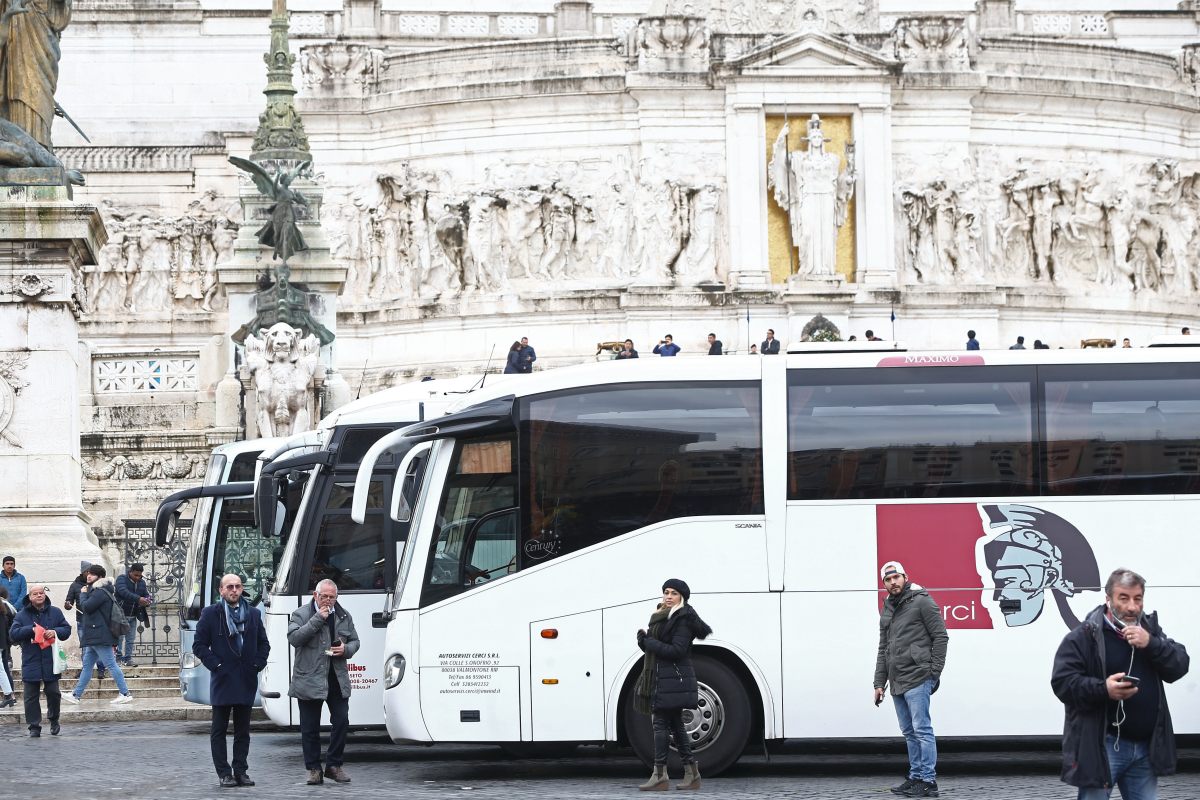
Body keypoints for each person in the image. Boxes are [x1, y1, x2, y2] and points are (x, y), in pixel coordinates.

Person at [1051, 568, 1190, 800]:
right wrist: (1104, 689)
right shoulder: (1084, 636)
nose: (1132, 607)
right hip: (1102, 746)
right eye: (1123, 598)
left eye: (1138, 599)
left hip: (1145, 749)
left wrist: (1152, 644)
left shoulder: (1150, 632)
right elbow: (1063, 683)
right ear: (1108, 599)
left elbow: (1179, 666)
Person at [873, 561, 949, 798]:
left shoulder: (921, 600)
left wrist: (933, 672)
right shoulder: (888, 606)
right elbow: (884, 647)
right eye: (888, 579)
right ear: (884, 583)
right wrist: (878, 683)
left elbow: (941, 637)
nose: (893, 582)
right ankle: (915, 777)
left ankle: (928, 781)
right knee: (909, 731)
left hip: (918, 676)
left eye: (896, 577)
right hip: (896, 680)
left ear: (905, 577)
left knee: (922, 730)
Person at [634, 578, 712, 792]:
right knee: (676, 726)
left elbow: (676, 651)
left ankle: (659, 774)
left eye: (674, 593)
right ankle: (691, 773)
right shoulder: (663, 616)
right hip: (665, 677)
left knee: (660, 724)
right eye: (666, 592)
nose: (668, 596)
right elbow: (659, 651)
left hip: (673, 679)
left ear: (682, 597)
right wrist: (644, 643)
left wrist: (650, 643)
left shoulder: (683, 619)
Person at [193, 573, 270, 788]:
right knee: (218, 730)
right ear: (221, 590)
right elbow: (199, 645)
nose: (234, 590)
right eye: (229, 587)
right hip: (223, 680)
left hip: (246, 678)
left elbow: (264, 644)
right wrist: (216, 665)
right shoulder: (211, 613)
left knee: (242, 731)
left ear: (242, 588)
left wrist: (256, 664)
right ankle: (224, 773)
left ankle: (241, 771)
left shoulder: (254, 614)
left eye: (237, 586)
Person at [288, 579, 361, 785]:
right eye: (324, 596)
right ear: (315, 595)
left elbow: (355, 641)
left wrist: (345, 650)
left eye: (332, 597)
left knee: (341, 721)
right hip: (309, 678)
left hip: (336, 677)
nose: (328, 601)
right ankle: (313, 769)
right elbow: (294, 638)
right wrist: (317, 619)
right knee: (309, 727)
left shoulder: (343, 615)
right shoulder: (301, 614)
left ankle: (333, 765)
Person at [63, 564, 133, 705]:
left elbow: (87, 607)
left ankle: (125, 693)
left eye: (93, 574)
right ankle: (76, 695)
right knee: (88, 667)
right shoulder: (98, 590)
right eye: (88, 573)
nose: (89, 576)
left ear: (100, 577)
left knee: (111, 664)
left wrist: (82, 594)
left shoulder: (100, 591)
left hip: (99, 635)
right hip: (95, 634)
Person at [9, 584, 71, 736]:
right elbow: (13, 634)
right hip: (31, 660)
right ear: (29, 597)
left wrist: (55, 631)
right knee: (30, 696)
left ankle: (54, 719)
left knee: (54, 693)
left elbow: (66, 629)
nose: (39, 595)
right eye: (35, 593)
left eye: (41, 593)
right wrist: (31, 629)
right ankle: (34, 726)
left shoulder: (55, 612)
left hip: (50, 660)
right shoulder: (22, 614)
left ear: (45, 595)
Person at [115, 562, 152, 667]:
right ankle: (118, 657)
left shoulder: (142, 583)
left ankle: (128, 658)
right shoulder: (121, 579)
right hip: (120, 614)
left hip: (133, 615)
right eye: (135, 575)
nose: (137, 577)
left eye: (140, 575)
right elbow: (123, 592)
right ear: (130, 572)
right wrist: (138, 599)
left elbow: (145, 594)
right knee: (119, 638)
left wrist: (148, 600)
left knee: (130, 639)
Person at [0, 587, 15, 707]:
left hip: (3, 643)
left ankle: (9, 695)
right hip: (3, 643)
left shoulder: (4, 607)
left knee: (2, 669)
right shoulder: (4, 607)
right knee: (2, 669)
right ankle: (9, 695)